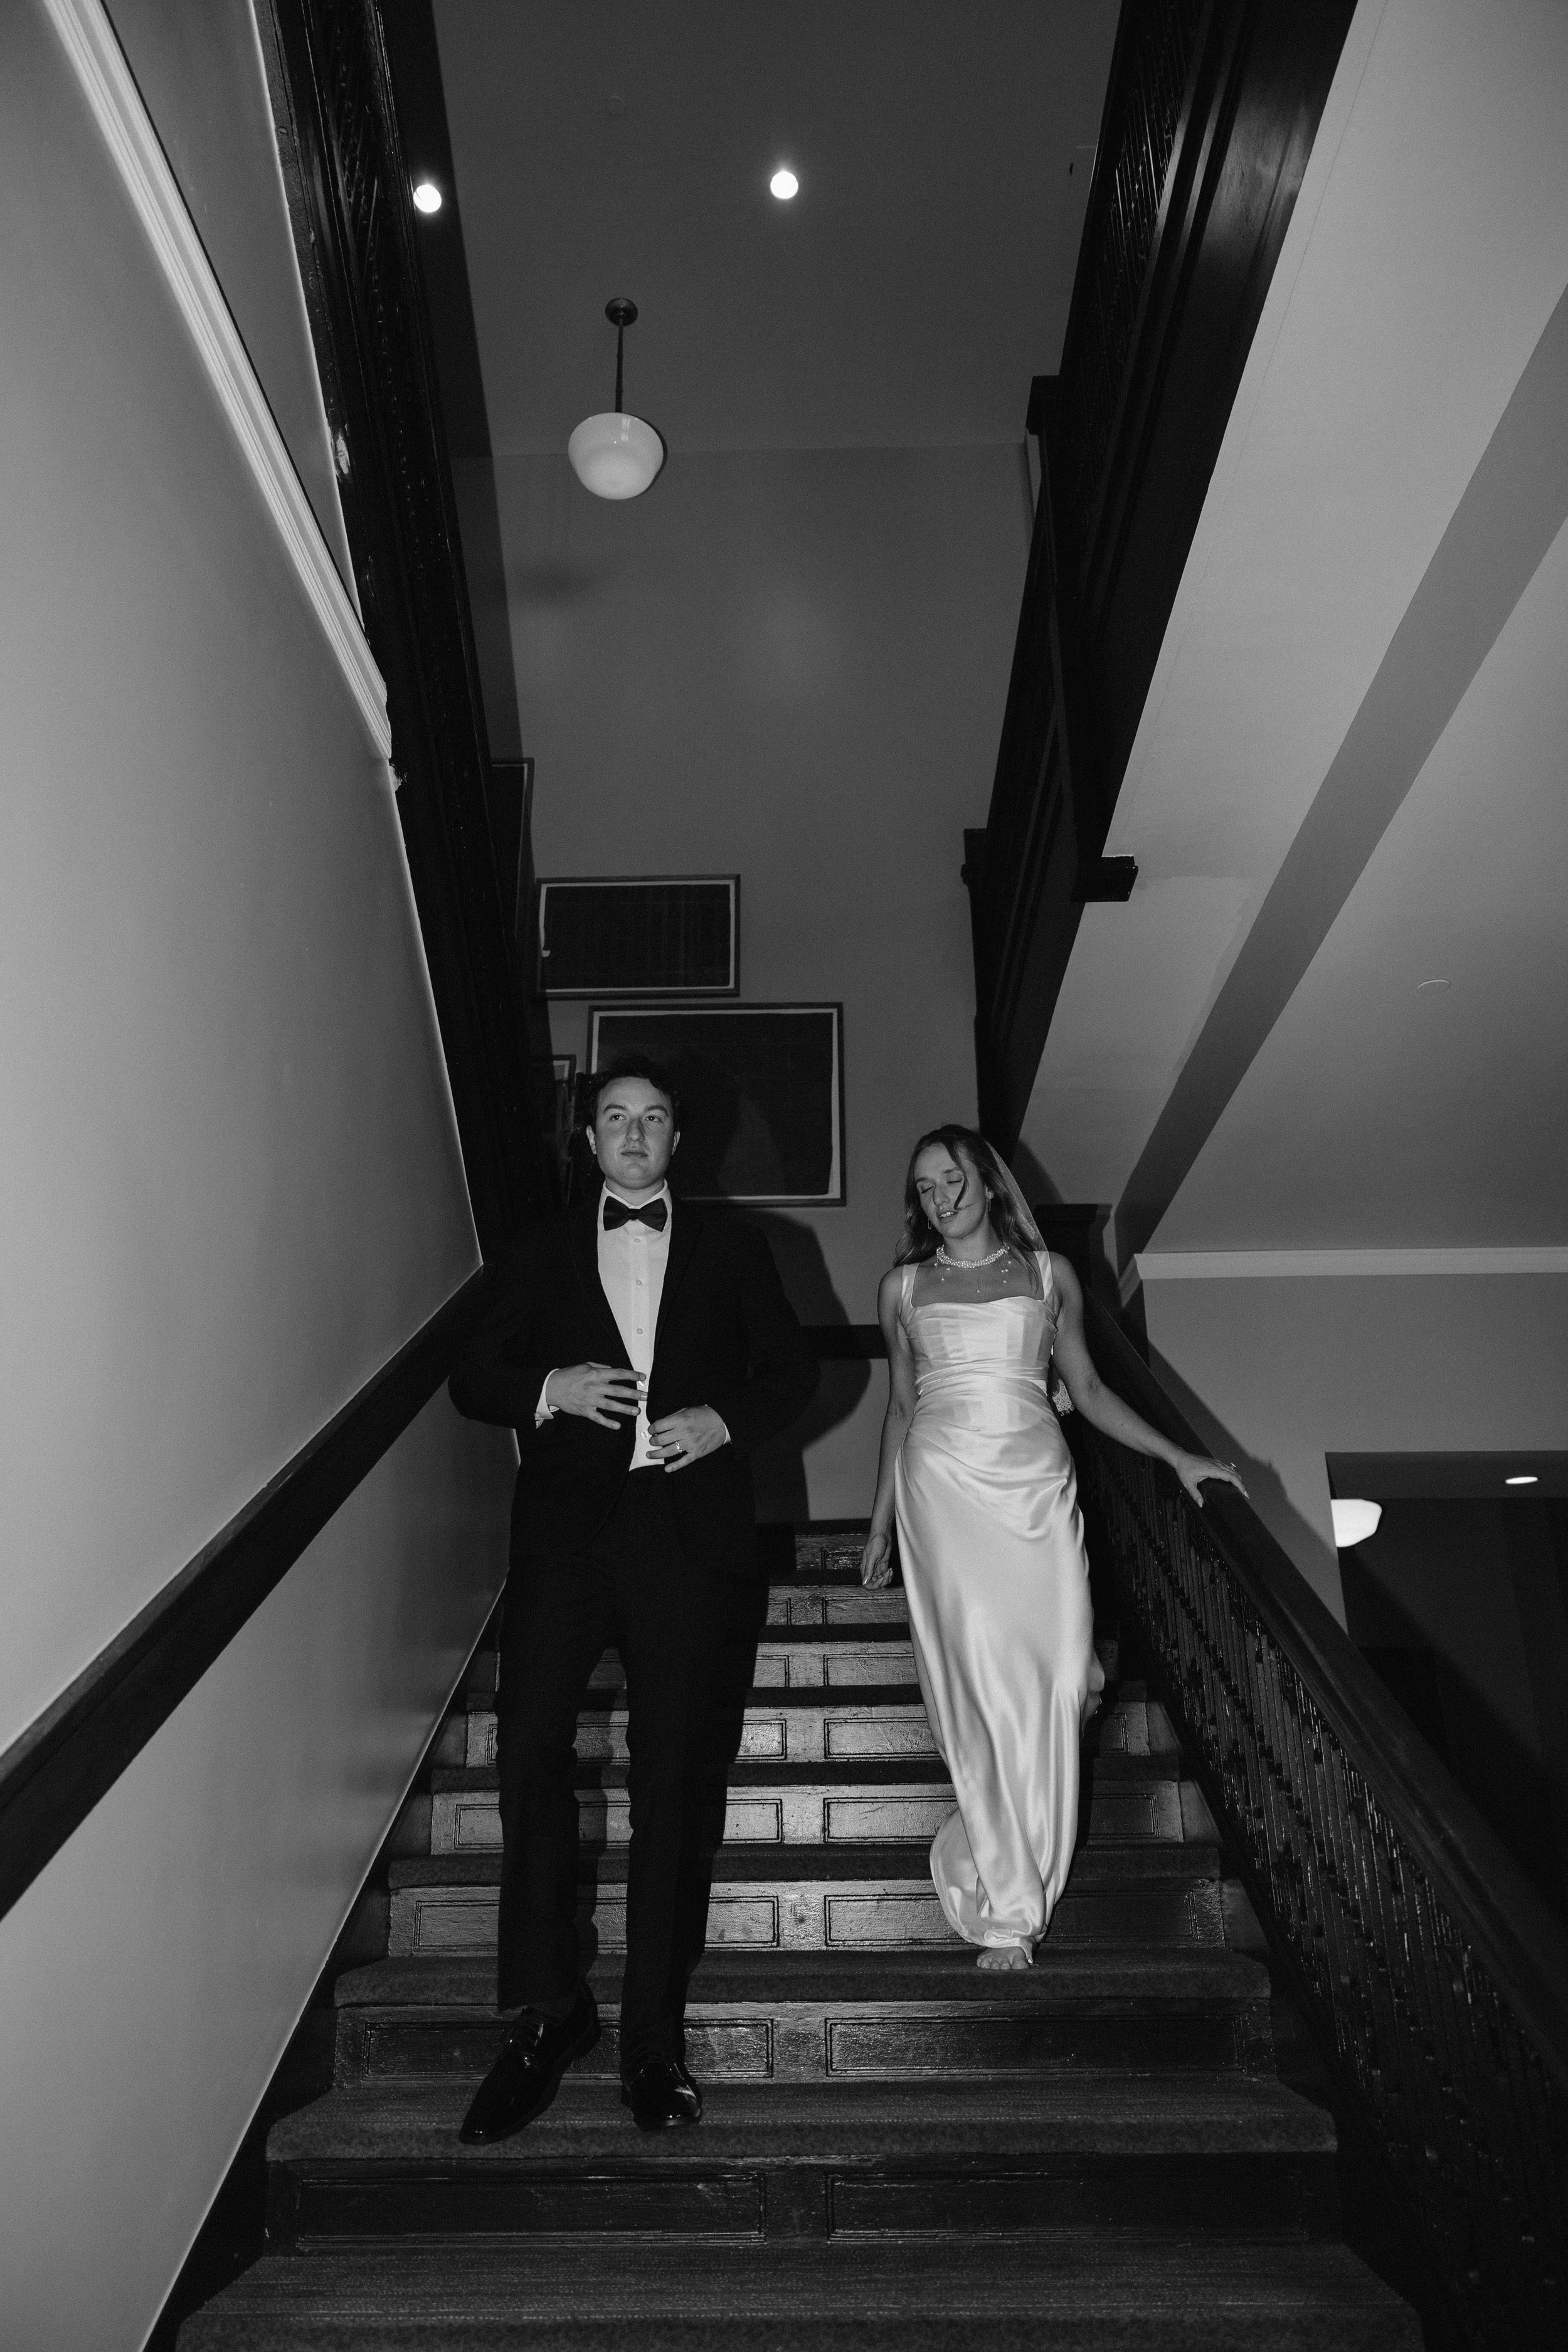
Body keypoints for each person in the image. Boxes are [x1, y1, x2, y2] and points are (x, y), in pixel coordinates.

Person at [447, 1055, 818, 2136]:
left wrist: (726, 1422)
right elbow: (473, 1374)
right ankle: (549, 2010)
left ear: (675, 1140)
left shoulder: (741, 1248)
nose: (636, 1133)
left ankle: (653, 2039)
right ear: (591, 1139)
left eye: (655, 1118)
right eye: (616, 1117)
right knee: (526, 1750)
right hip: (565, 1541)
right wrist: (547, 1389)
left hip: (685, 1542)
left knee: (668, 1782)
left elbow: (792, 1373)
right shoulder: (539, 1249)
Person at [861, 1125, 1244, 1968]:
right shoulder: (902, 1287)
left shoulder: (1049, 1275)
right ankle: (1009, 1907)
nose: (940, 1195)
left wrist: (1178, 1457)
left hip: (1035, 1483)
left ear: (988, 1182)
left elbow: (1094, 1389)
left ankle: (1012, 1843)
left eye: (952, 1176)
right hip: (942, 1486)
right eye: (924, 1186)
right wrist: (881, 1520)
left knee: (1070, 1677)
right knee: (979, 1687)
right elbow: (899, 1406)